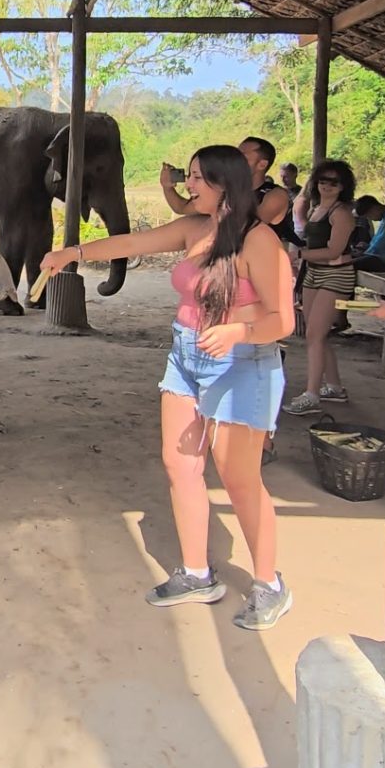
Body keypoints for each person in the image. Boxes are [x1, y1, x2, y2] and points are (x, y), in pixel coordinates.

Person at [43, 145, 294, 631]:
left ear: (225, 183)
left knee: (239, 479)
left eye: (198, 178)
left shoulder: (259, 240)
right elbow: (132, 245)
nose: (188, 186)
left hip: (242, 362)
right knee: (180, 467)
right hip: (186, 357)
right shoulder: (193, 229)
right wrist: (70, 254)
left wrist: (239, 330)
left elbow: (283, 318)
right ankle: (198, 574)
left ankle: (270, 584)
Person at [282, 161, 357, 415]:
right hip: (314, 273)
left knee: (315, 334)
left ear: (343, 186)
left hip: (336, 274)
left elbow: (334, 250)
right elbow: (308, 237)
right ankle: (334, 387)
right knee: (317, 333)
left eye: (333, 182)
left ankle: (312, 394)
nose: (326, 185)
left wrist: (299, 254)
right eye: (322, 180)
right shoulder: (316, 208)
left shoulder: (341, 213)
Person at [161, 136, 297, 244]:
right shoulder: (227, 191)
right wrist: (167, 187)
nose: (235, 160)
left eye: (242, 156)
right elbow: (182, 208)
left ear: (262, 164)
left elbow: (248, 227)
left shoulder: (275, 195)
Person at [350, 195, 385, 273]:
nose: (370, 219)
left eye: (368, 215)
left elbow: (384, 243)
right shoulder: (384, 218)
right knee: (345, 258)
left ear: (375, 208)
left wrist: (367, 251)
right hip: (374, 255)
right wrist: (368, 246)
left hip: (383, 260)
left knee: (348, 265)